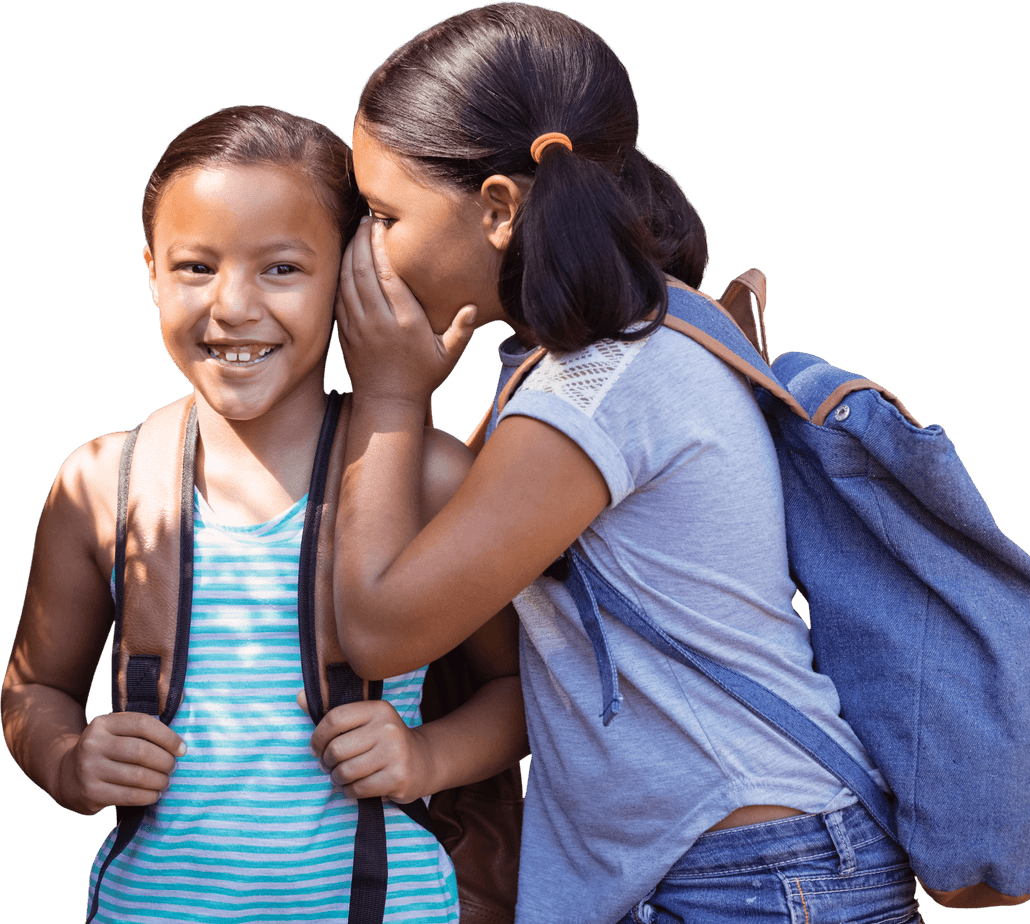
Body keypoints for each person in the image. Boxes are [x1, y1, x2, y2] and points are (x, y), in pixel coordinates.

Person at [330, 4, 924, 924]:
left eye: (383, 213)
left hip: (755, 878)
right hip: (747, 867)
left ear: (497, 208)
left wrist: (389, 396)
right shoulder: (630, 348)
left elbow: (379, 627)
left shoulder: (597, 389)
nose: (364, 250)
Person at [1, 105, 527, 924]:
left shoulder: (427, 475)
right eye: (194, 267)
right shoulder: (102, 481)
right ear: (149, 272)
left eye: (281, 268)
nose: (233, 306)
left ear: (357, 271)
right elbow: (31, 689)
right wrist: (68, 757)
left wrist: (425, 754)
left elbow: (523, 690)